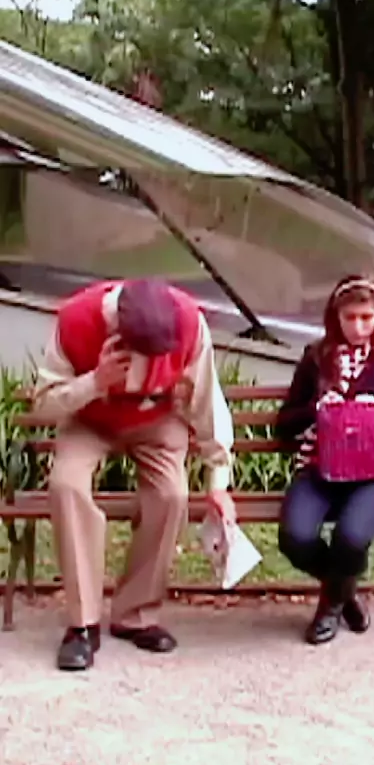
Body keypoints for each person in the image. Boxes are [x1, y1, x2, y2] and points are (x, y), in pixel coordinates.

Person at [33, 277, 235, 671]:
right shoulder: (75, 320)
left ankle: (135, 615)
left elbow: (206, 402)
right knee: (67, 486)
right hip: (89, 418)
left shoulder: (190, 323)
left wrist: (218, 482)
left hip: (156, 418)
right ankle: (82, 625)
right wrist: (95, 382)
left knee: (171, 496)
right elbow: (44, 405)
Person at [275, 275, 374, 645]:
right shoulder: (317, 358)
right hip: (319, 469)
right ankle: (346, 591)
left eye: (367, 318)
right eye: (350, 318)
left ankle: (330, 607)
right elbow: (284, 425)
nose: (359, 327)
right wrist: (316, 410)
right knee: (295, 538)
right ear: (336, 316)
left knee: (350, 537)